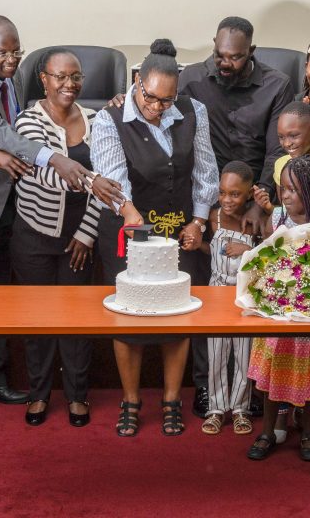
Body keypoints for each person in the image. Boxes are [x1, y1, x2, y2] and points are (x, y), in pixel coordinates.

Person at [0, 15, 108, 425]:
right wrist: (56, 159)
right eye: (2, 52)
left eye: (16, 52)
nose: (11, 60)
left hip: (6, 205)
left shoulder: (9, 77)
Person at [91, 39, 219, 437]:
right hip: (127, 227)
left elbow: (205, 170)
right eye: (150, 97)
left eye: (167, 100)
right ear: (137, 82)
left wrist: (199, 221)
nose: (157, 107)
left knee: (176, 314)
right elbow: (114, 180)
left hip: (180, 228)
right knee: (128, 315)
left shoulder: (193, 111)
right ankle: (130, 401)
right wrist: (133, 218)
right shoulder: (108, 119)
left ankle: (171, 401)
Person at [178, 17, 296, 417]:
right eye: (220, 55)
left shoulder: (276, 85)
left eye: (235, 57)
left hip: (254, 205)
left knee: (253, 299)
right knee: (204, 298)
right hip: (206, 205)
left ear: (252, 52)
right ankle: (207, 387)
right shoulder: (192, 79)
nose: (225, 64)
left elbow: (277, 151)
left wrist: (257, 203)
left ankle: (250, 389)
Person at [11, 48, 122, 428]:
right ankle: (39, 394)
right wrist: (94, 182)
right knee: (38, 320)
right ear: (44, 79)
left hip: (80, 238)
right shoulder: (28, 121)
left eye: (75, 77)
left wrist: (87, 233)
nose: (69, 84)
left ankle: (77, 395)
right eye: (60, 76)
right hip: (34, 234)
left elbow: (108, 177)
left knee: (76, 320)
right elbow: (46, 173)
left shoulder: (95, 119)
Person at [246, 155, 310, 462]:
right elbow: (266, 262)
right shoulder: (277, 217)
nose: (285, 196)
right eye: (283, 189)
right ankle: (267, 430)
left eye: (292, 190)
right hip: (279, 315)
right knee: (273, 375)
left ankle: (308, 433)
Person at [199, 161, 257, 436]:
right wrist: (197, 245)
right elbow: (212, 250)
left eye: (235, 194)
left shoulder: (256, 220)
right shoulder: (215, 217)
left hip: (244, 295)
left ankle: (241, 408)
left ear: (249, 193)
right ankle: (216, 408)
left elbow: (270, 254)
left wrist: (247, 249)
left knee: (243, 354)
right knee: (217, 352)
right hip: (217, 291)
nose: (227, 199)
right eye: (222, 193)